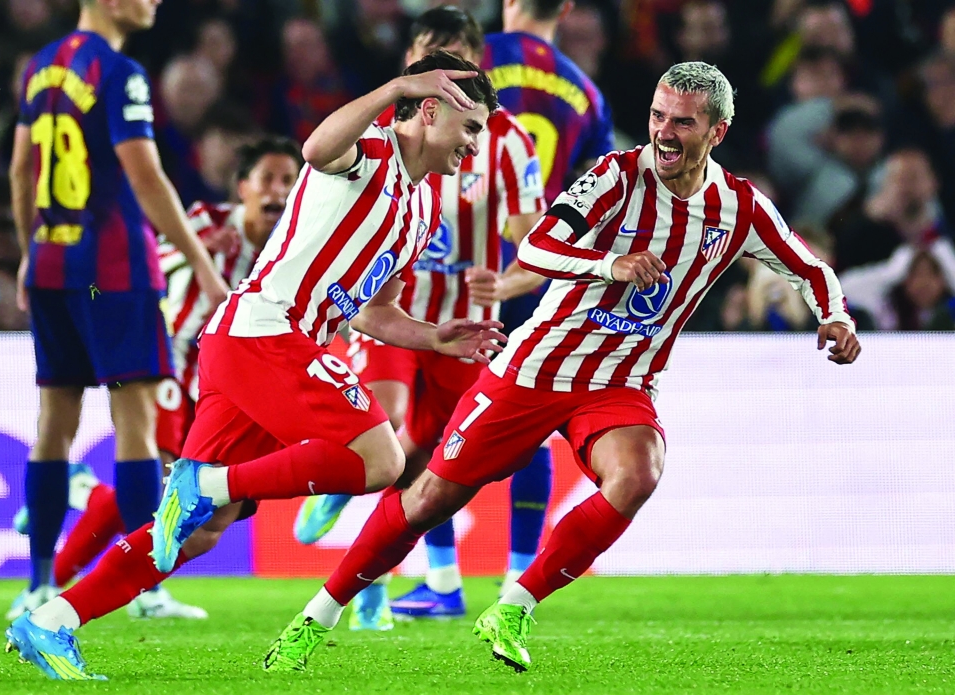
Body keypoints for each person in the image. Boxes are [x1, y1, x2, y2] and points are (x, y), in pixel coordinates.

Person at [264, 61, 861, 674]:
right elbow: (536, 245)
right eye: (658, 115)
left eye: (682, 121)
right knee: (428, 501)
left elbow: (808, 267)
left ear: (717, 132)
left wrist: (835, 315)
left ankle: (515, 606)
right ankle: (320, 613)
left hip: (620, 384)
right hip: (535, 370)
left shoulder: (738, 207)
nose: (664, 131)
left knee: (637, 475)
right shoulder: (614, 176)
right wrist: (609, 265)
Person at [6, 49, 503, 681]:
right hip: (264, 333)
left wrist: (434, 337)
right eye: (470, 128)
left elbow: (373, 312)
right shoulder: (369, 152)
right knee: (382, 461)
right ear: (429, 110)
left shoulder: (424, 208)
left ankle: (51, 621)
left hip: (268, 347)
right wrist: (395, 85)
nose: (474, 145)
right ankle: (205, 484)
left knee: (201, 532)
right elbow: (317, 150)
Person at [292, 6, 547, 630]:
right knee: (392, 423)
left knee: (431, 456)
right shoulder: (385, 129)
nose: (442, 69)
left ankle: (388, 571)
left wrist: (506, 282)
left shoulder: (506, 142)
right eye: (429, 55)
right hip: (389, 313)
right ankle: (411, 570)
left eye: (454, 55)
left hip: (460, 328)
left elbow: (535, 248)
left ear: (477, 61)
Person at [9, 138, 303, 618]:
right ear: (244, 187)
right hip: (173, 360)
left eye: (288, 181)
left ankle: (81, 499)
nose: (278, 190)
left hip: (225, 388)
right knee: (157, 487)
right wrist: (198, 251)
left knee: (178, 503)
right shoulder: (209, 220)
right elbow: (147, 265)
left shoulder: (290, 245)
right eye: (268, 178)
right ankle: (71, 588)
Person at [392, 0, 618, 617]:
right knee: (532, 434)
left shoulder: (476, 59)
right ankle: (518, 580)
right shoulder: (586, 92)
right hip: (528, 273)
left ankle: (441, 580)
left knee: (431, 432)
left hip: (446, 279)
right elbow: (601, 186)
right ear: (566, 8)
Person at [5, 0, 228, 622]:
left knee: (54, 422)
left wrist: (30, 253)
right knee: (136, 426)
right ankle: (145, 587)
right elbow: (147, 178)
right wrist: (205, 270)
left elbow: (22, 170)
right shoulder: (120, 72)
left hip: (52, 262)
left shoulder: (40, 67)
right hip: (112, 271)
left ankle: (39, 584)